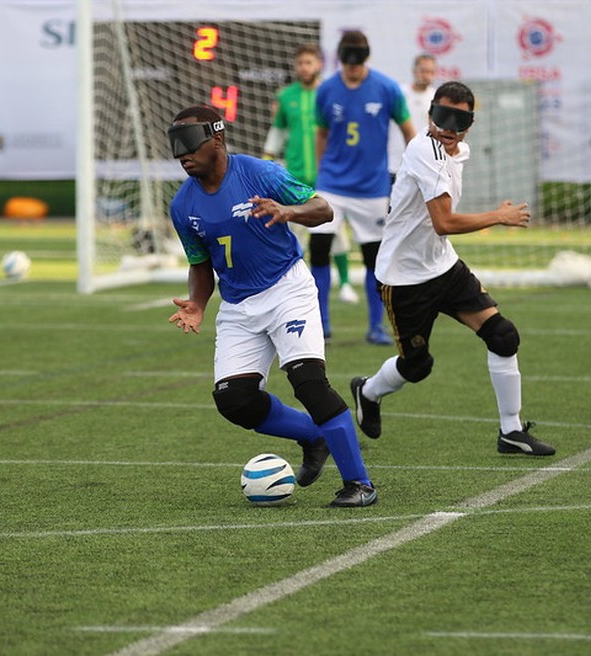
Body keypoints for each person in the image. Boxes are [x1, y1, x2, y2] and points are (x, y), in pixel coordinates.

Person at [166, 104, 378, 507]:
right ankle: (314, 436)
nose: (182, 154)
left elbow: (324, 209)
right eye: (175, 145)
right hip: (238, 307)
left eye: (189, 142)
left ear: (217, 137)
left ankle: (359, 484)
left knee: (309, 384)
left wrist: (289, 211)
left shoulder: (259, 173)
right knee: (234, 401)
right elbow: (200, 263)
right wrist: (197, 303)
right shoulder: (182, 206)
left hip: (287, 291)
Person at [349, 81, 556, 456]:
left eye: (458, 120)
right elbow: (443, 222)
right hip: (405, 278)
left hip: (443, 267)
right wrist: (498, 215)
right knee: (417, 366)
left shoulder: (458, 151)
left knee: (503, 335)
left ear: (470, 124)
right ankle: (368, 391)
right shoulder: (423, 149)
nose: (447, 127)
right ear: (429, 114)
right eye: (441, 116)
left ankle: (510, 431)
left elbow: (439, 230)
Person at [311, 30, 416, 344]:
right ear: (340, 59)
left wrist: (416, 171)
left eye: (357, 62)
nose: (352, 68)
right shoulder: (327, 89)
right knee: (318, 249)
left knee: (375, 258)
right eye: (347, 62)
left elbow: (410, 130)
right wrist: (320, 176)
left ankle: (375, 326)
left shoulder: (387, 88)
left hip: (372, 188)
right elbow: (321, 134)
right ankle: (321, 324)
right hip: (331, 184)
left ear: (366, 58)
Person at [263, 42, 359, 307]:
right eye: (300, 63)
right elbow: (278, 130)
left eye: (309, 62)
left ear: (319, 65)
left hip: (327, 176)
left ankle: (346, 283)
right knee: (291, 232)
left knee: (335, 232)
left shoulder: (330, 93)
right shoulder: (286, 96)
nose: (304, 67)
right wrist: (268, 158)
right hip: (294, 177)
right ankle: (289, 283)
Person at [387, 53, 438, 182]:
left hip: (423, 167)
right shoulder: (400, 93)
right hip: (395, 164)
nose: (426, 75)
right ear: (414, 71)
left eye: (430, 72)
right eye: (423, 71)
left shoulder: (436, 98)